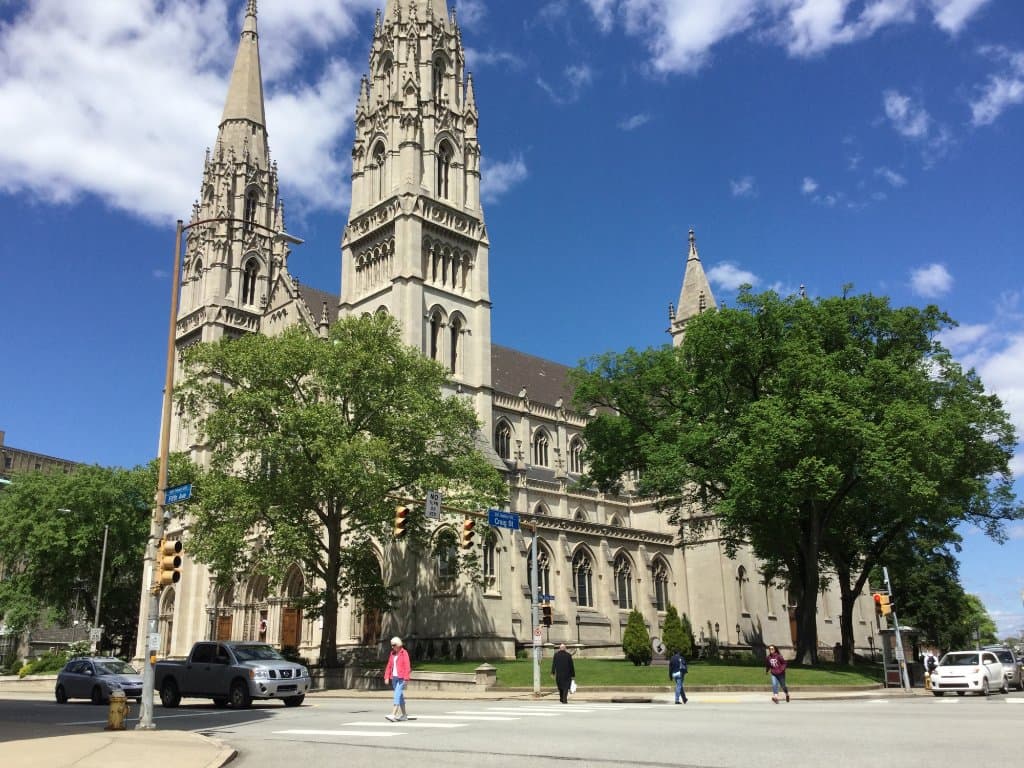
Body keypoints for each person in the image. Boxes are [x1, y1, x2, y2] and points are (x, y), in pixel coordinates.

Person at [383, 636, 411, 721]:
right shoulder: (392, 654)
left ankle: (393, 714)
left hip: (401, 678)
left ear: (398, 644)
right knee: (400, 696)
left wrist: (406, 678)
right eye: (391, 645)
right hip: (394, 678)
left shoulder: (404, 653)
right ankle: (404, 715)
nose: (392, 647)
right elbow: (389, 665)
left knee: (397, 694)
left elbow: (407, 666)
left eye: (394, 645)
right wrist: (386, 677)